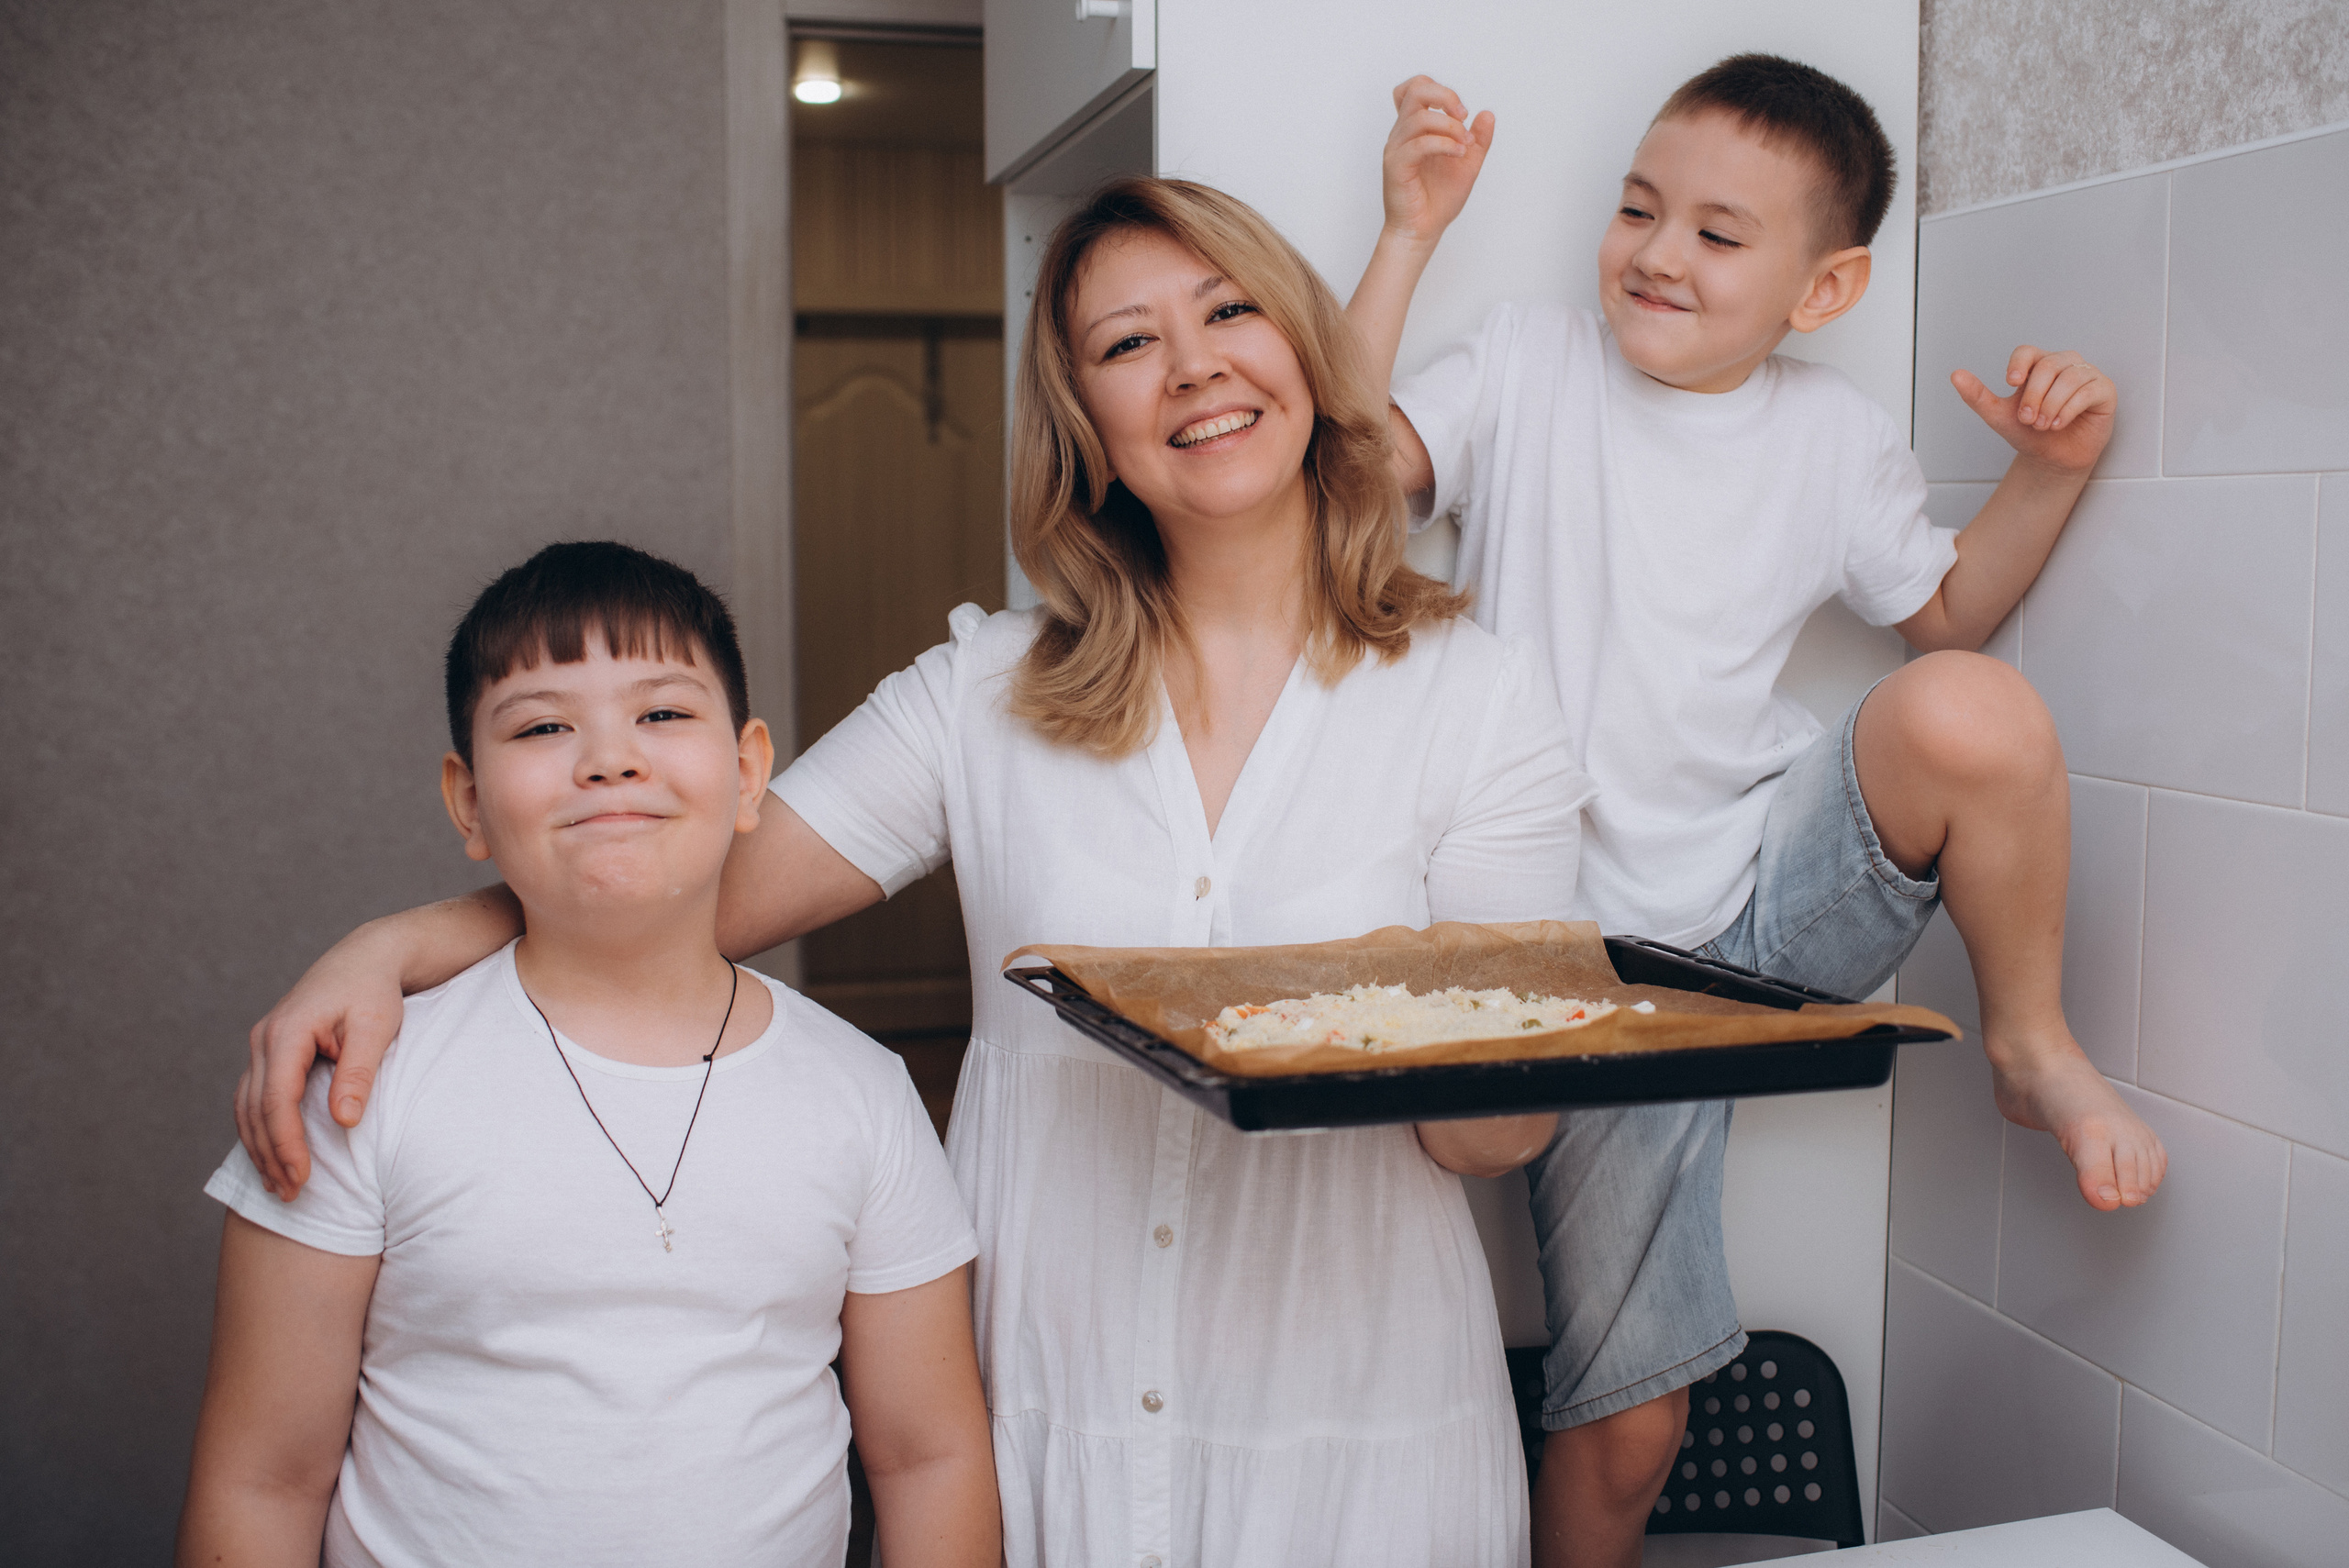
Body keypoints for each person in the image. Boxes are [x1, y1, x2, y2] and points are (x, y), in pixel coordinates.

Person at [232, 180, 1597, 1567]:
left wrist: (1445, 1028)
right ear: (1087, 426)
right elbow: (685, 893)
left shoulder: (1479, 702)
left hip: (1364, 1441)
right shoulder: (983, 692)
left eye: (1230, 311)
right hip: (1045, 1429)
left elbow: (1487, 1140)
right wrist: (396, 945)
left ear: (1306, 348)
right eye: (1128, 343)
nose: (1193, 366)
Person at [1344, 54, 2171, 1568]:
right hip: (1566, 974)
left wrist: (2053, 470)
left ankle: (2029, 1043)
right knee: (1634, 1426)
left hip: (1755, 910)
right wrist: (1408, 233)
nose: (1659, 252)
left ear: (1824, 287)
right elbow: (1337, 482)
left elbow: (1946, 615)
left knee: (1971, 707)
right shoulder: (1527, 362)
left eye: (1719, 234)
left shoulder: (1828, 437)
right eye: (1637, 209)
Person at [181, 543, 999, 1568]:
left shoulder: (862, 1092)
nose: (609, 758)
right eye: (542, 726)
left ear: (748, 771)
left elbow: (927, 1458)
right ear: (468, 801)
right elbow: (261, 1479)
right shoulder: (365, 1080)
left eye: (662, 712)